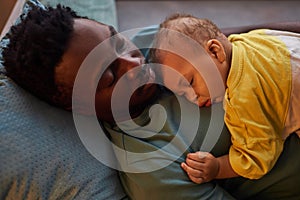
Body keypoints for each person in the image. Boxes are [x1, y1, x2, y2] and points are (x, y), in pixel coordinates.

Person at [2, 4, 300, 200]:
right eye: (110, 76)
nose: (136, 64)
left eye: (118, 41)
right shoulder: (150, 164)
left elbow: (248, 42)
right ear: (77, 107)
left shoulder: (153, 45)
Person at [150, 13, 300, 183]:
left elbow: (257, 158)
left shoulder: (241, 99)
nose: (194, 98)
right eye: (183, 94)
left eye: (190, 82)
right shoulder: (250, 39)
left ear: (215, 51)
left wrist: (218, 168)